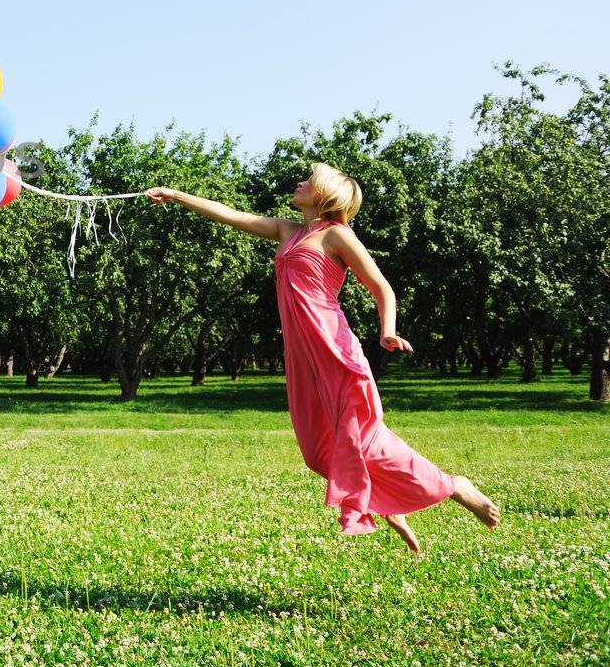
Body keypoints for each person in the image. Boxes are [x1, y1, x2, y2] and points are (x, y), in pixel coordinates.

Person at [144, 164, 500, 554]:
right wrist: (176, 196)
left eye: (307, 181)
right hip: (302, 356)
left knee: (364, 440)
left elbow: (381, 286)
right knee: (318, 452)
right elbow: (232, 215)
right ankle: (377, 499)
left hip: (335, 349)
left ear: (325, 194)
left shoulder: (337, 235)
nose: (298, 183)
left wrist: (387, 330)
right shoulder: (287, 230)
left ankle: (454, 486)